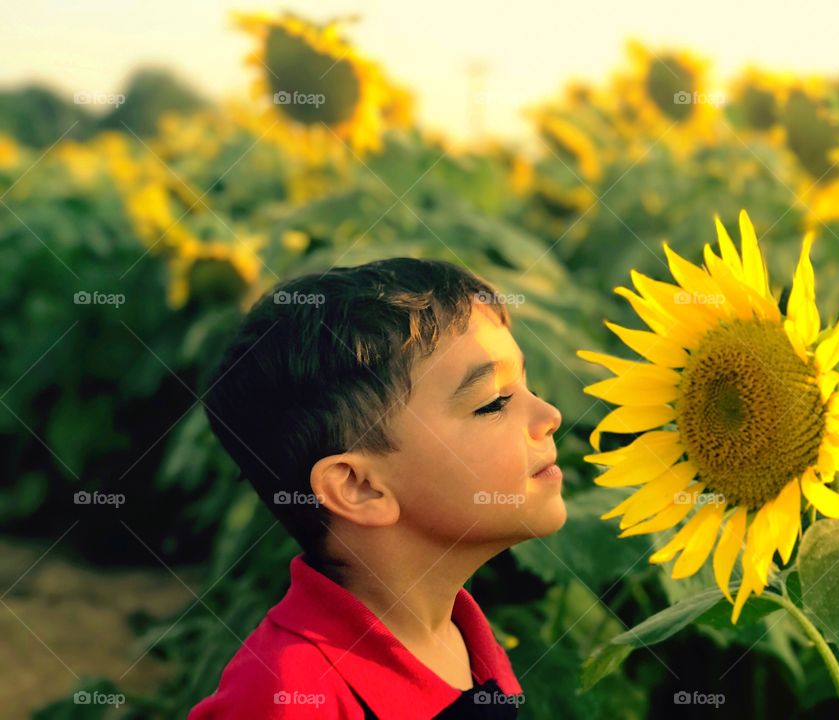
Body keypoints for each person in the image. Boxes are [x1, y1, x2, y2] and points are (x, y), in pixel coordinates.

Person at [188, 258, 565, 718]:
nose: (549, 415)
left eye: (526, 386)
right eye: (493, 403)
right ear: (359, 487)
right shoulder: (289, 692)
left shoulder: (464, 637)